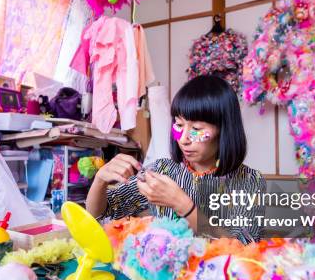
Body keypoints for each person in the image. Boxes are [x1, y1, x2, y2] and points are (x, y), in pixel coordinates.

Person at [85, 75, 266, 243]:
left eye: (196, 128)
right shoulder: (162, 170)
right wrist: (100, 180)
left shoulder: (249, 181)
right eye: (179, 125)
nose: (183, 138)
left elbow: (244, 246)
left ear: (224, 130)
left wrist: (182, 204)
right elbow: (99, 214)